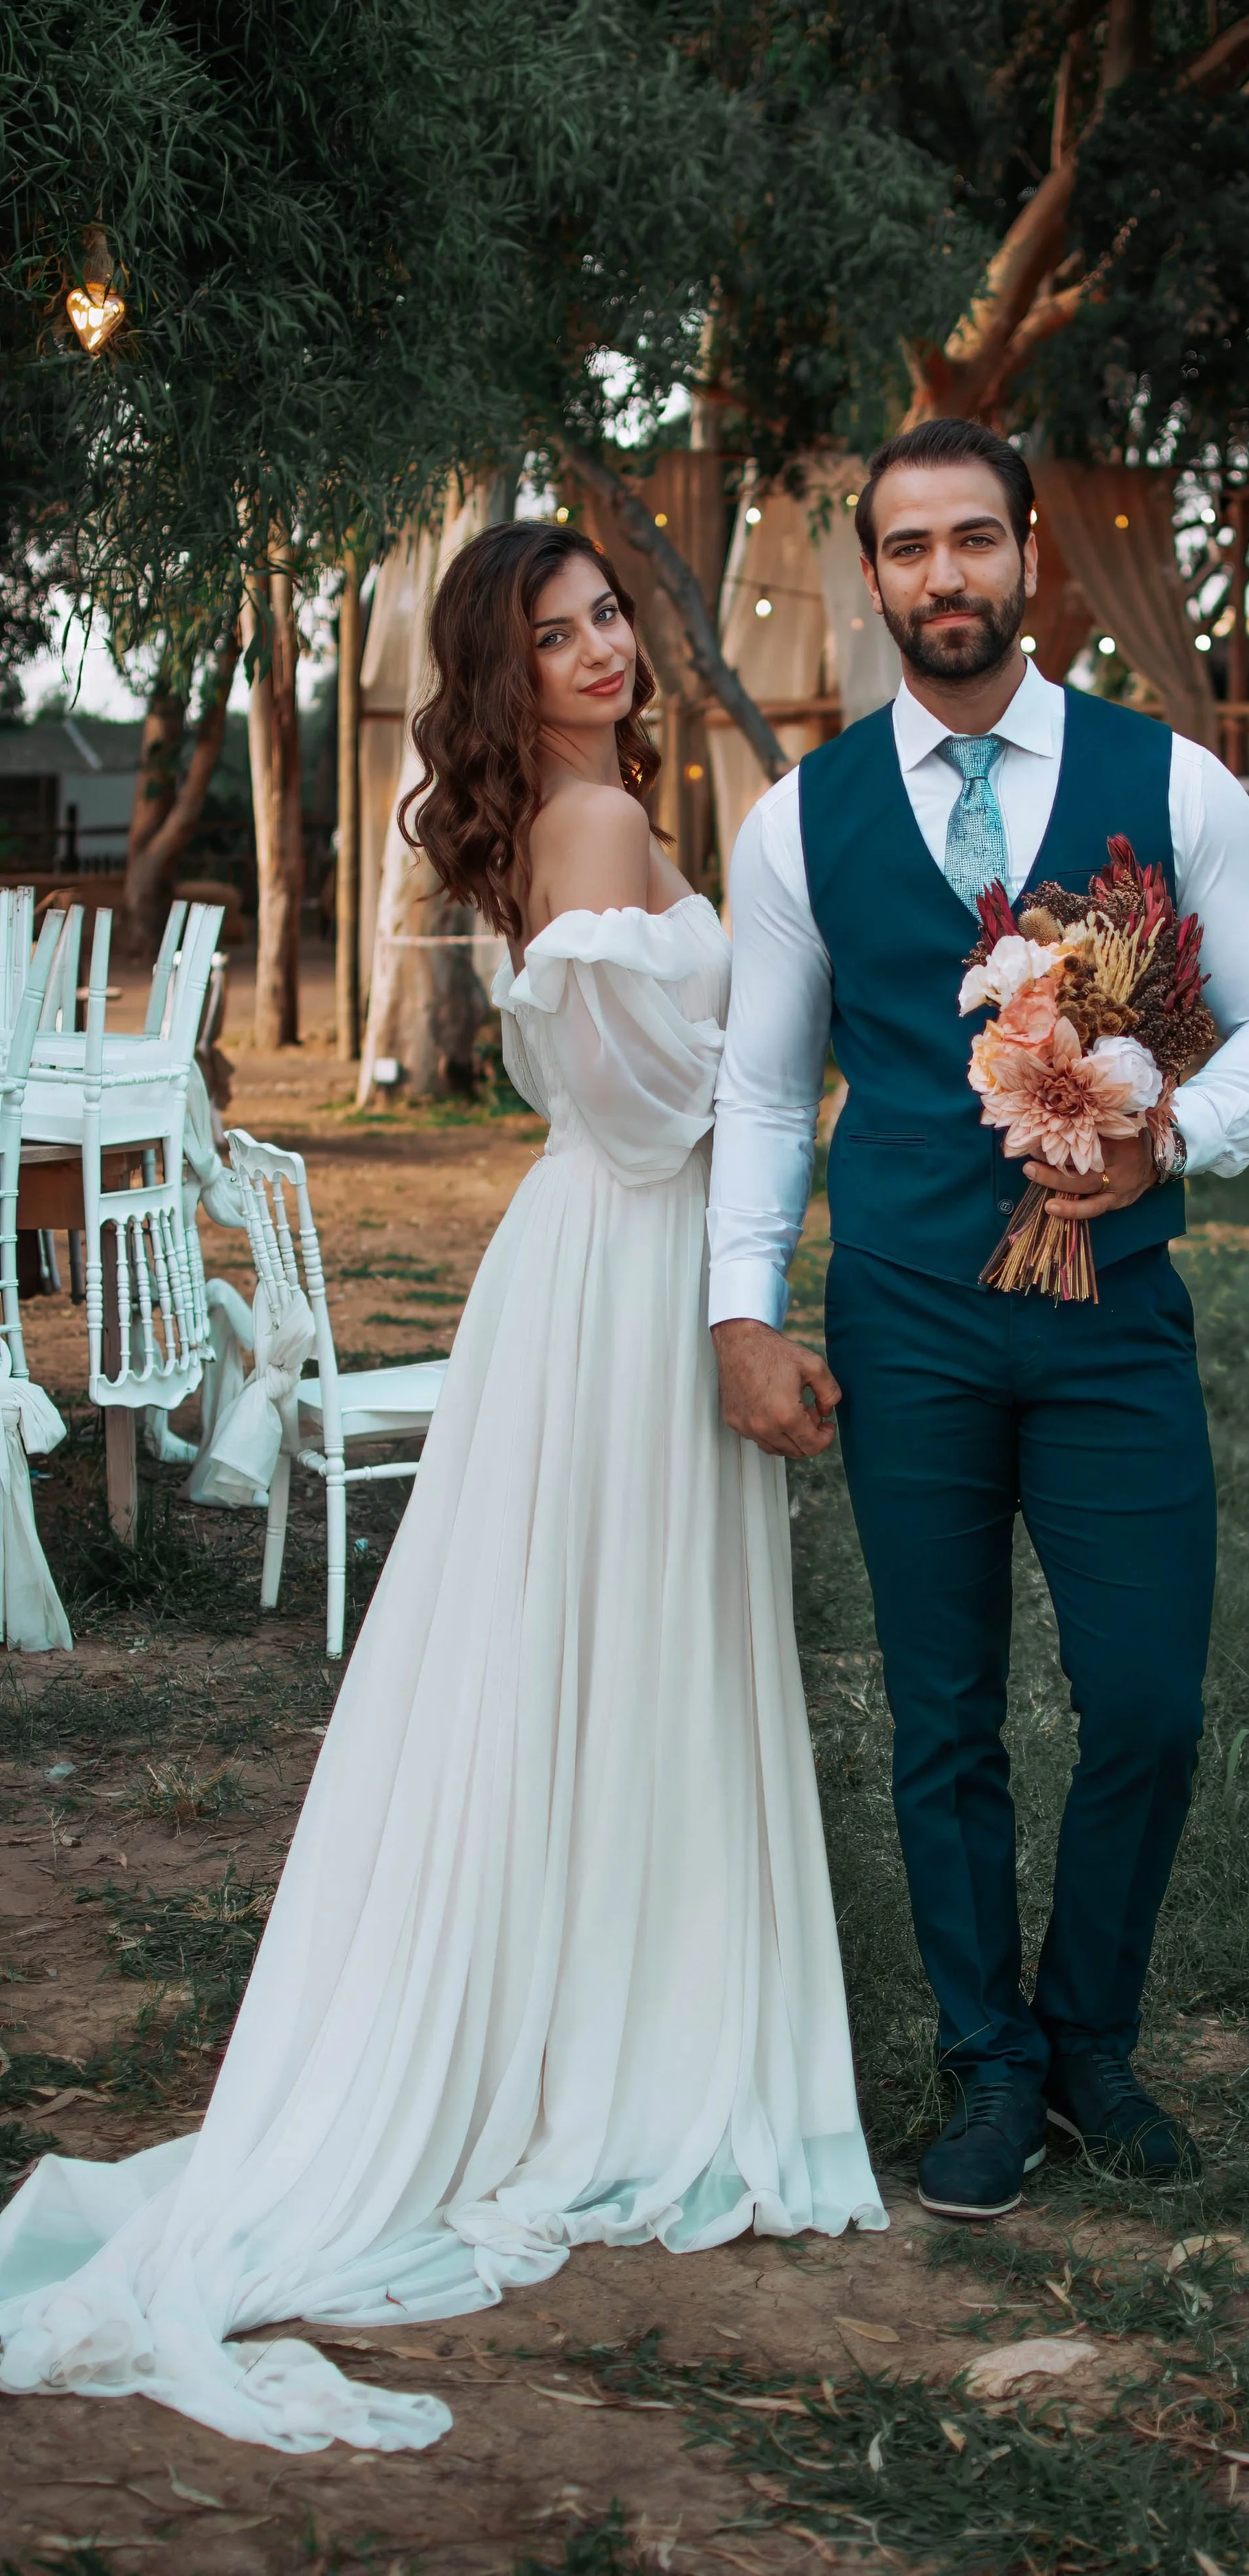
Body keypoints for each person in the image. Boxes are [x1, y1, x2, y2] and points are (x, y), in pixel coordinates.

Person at [0, 522, 884, 2454]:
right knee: (617, 1644)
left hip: (599, 1267)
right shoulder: (583, 836)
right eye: (557, 632)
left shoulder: (580, 814)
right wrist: (806, 1048)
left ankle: (603, 1991)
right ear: (503, 671)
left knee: (580, 1647)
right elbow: (659, 1109)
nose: (600, 648)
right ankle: (632, 2040)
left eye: (605, 617)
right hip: (627, 1264)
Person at [710, 418, 1249, 2222]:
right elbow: (761, 1092)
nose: (943, 577)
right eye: (907, 549)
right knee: (940, 1710)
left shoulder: (1172, 781)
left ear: (1028, 557)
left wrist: (1166, 1137)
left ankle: (1092, 2036)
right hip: (904, 1310)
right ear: (873, 578)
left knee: (1145, 1699)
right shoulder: (795, 820)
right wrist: (743, 1313)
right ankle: (989, 2063)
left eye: (972, 540)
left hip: (1113, 1316)